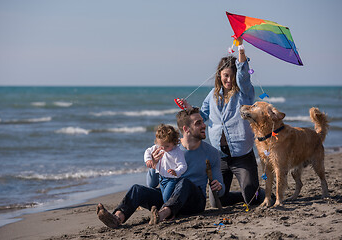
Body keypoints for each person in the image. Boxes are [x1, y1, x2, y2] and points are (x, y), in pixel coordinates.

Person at [97, 107, 225, 228]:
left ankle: (162, 214)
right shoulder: (168, 147)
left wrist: (218, 186)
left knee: (184, 182)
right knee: (137, 189)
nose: (204, 125)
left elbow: (221, 190)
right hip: (168, 195)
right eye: (198, 123)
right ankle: (117, 218)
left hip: (194, 202)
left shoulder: (211, 152)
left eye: (202, 122)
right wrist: (154, 165)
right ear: (186, 129)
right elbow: (152, 184)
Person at [179, 38, 263, 207]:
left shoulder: (244, 93)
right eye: (226, 75)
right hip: (220, 156)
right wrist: (188, 108)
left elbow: (244, 74)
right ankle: (243, 196)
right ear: (219, 75)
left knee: (252, 201)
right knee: (217, 201)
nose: (229, 80)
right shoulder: (212, 95)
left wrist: (240, 49)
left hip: (242, 155)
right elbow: (202, 115)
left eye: (232, 76)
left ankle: (256, 193)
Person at [144, 124, 187, 203]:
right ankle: (168, 210)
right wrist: (148, 160)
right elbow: (148, 151)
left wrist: (176, 171)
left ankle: (170, 212)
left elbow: (183, 166)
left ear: (174, 142)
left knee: (167, 197)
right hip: (161, 178)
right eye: (161, 145)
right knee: (164, 197)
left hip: (172, 179)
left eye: (167, 146)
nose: (163, 148)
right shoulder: (158, 147)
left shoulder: (177, 152)